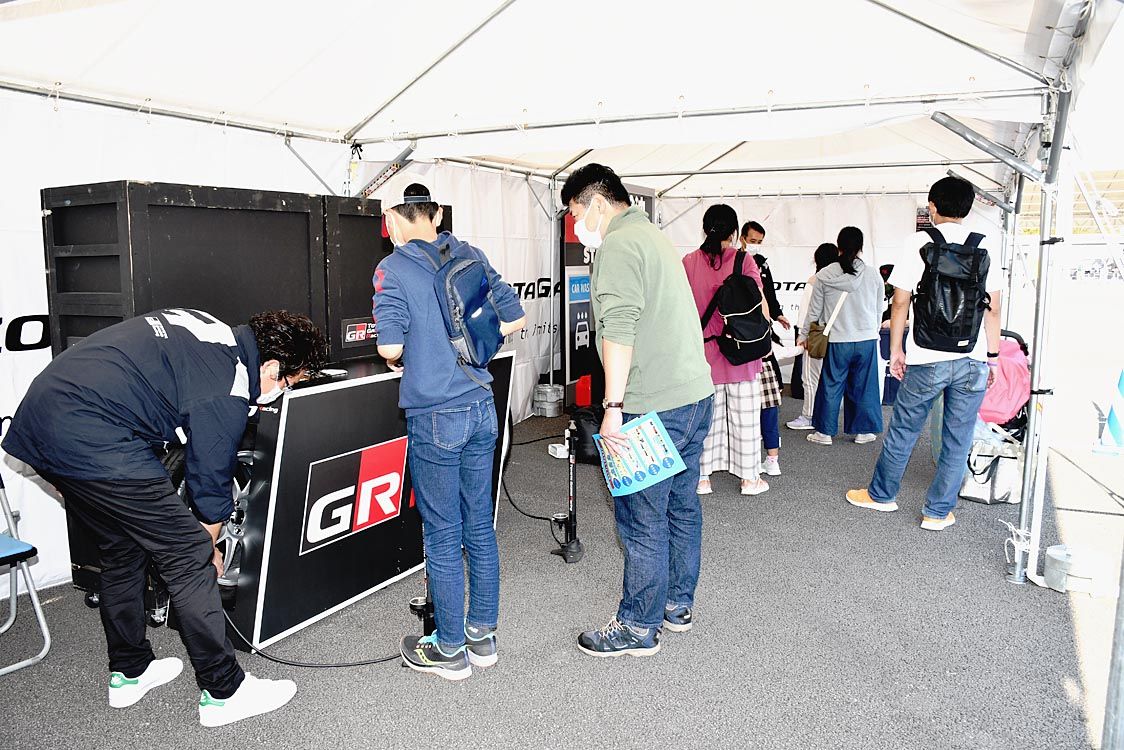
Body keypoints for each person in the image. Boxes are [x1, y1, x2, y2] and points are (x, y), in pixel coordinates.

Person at [2, 308, 324, 727]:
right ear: (271, 366)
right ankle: (225, 692)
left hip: (42, 421)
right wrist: (205, 546)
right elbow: (209, 482)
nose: (279, 392)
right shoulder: (228, 383)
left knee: (121, 548)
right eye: (286, 382)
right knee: (188, 555)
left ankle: (130, 671)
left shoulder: (209, 328)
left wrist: (71, 475)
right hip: (92, 431)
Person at [374, 183, 526, 680]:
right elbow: (514, 317)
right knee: (479, 523)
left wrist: (419, 350)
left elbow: (390, 348)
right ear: (436, 214)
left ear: (392, 219)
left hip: (435, 413)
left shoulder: (392, 269)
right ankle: (482, 636)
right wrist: (469, 343)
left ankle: (450, 649)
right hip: (481, 404)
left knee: (442, 532)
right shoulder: (470, 254)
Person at [562, 164, 713, 657]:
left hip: (653, 405)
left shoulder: (619, 246)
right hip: (693, 395)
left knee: (641, 517)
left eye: (576, 214)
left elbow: (619, 330)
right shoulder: (651, 235)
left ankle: (637, 626)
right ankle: (676, 604)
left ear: (597, 204)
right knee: (681, 506)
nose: (576, 225)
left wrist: (612, 407)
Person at [846, 176, 1003, 530]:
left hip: (926, 356)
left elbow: (900, 302)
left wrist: (896, 350)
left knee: (904, 429)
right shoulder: (986, 243)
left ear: (932, 206)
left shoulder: (919, 242)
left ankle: (882, 495)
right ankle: (938, 512)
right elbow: (992, 308)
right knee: (958, 439)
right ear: (968, 208)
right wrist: (992, 357)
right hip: (972, 357)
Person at [683, 204, 770, 497]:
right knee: (745, 420)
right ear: (734, 231)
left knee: (704, 422)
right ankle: (749, 479)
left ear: (705, 229)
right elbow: (759, 303)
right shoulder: (744, 260)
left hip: (702, 355)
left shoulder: (688, 262)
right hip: (740, 352)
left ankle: (702, 478)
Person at [805, 227, 885, 445]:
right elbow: (879, 308)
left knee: (831, 385)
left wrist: (804, 334)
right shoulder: (873, 274)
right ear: (861, 247)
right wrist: (872, 330)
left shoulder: (824, 275)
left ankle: (824, 433)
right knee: (864, 386)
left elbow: (814, 312)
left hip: (838, 340)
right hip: (866, 339)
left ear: (838, 246)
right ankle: (863, 432)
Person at [741, 221, 785, 477]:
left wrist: (775, 316)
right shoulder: (733, 261)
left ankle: (770, 457)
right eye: (753, 241)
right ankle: (754, 458)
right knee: (748, 404)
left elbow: (769, 295)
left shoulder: (762, 264)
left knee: (765, 402)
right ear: (742, 238)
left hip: (758, 339)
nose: (756, 246)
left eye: (759, 242)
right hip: (739, 339)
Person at [788, 243, 841, 430]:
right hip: (838, 335)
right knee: (831, 379)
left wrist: (802, 335)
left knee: (810, 378)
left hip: (816, 334)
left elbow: (807, 312)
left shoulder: (815, 281)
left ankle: (809, 416)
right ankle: (826, 415)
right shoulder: (843, 280)